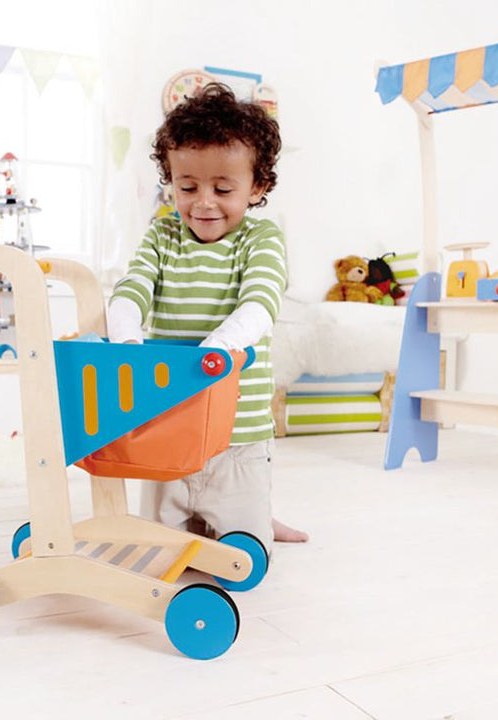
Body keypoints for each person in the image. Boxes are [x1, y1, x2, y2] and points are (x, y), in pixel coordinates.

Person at [107, 83, 308, 550]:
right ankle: (238, 515)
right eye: (187, 187)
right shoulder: (161, 236)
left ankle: (257, 514)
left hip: (237, 432)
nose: (203, 202)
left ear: (257, 187)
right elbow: (132, 289)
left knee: (243, 549)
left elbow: (260, 303)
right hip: (169, 422)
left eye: (222, 189)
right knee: (161, 551)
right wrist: (126, 338)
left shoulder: (260, 239)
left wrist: (218, 348)